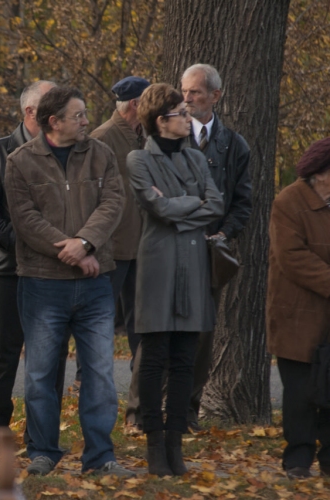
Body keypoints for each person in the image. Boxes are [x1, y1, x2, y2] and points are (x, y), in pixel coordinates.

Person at [5, 86, 128, 477]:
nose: (86, 121)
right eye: (79, 115)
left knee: (100, 373)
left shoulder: (101, 154)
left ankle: (100, 456)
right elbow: (25, 220)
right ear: (53, 122)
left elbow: (113, 203)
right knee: (41, 373)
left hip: (95, 283)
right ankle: (43, 451)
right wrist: (70, 249)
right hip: (43, 283)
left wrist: (86, 243)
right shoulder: (19, 162)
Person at [126, 83, 223, 476]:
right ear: (161, 120)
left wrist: (180, 207)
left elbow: (216, 204)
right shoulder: (138, 158)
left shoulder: (197, 159)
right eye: (182, 113)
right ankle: (153, 444)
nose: (189, 118)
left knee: (185, 358)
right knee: (153, 358)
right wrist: (191, 205)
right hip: (158, 264)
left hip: (193, 263)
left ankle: (174, 443)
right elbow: (156, 207)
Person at [0, 80, 69, 440]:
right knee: (2, 356)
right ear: (31, 112)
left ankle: (43, 436)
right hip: (10, 270)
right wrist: (27, 243)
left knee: (52, 358)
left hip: (57, 272)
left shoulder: (68, 150)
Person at [266, 136, 330, 480]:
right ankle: (297, 460)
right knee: (299, 392)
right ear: (322, 173)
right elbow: (291, 256)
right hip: (297, 313)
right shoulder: (288, 202)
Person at [180, 63, 251, 431]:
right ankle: (141, 410)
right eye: (185, 91)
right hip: (172, 248)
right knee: (156, 329)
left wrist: (224, 234)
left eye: (194, 92)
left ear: (215, 96)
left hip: (211, 254)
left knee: (202, 333)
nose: (187, 98)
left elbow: (243, 201)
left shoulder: (234, 144)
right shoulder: (170, 136)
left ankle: (189, 410)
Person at [90, 76, 149, 433]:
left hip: (144, 251)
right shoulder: (101, 140)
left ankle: (138, 411)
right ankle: (97, 411)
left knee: (144, 331)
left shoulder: (147, 138)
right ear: (135, 106)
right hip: (112, 253)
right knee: (98, 333)